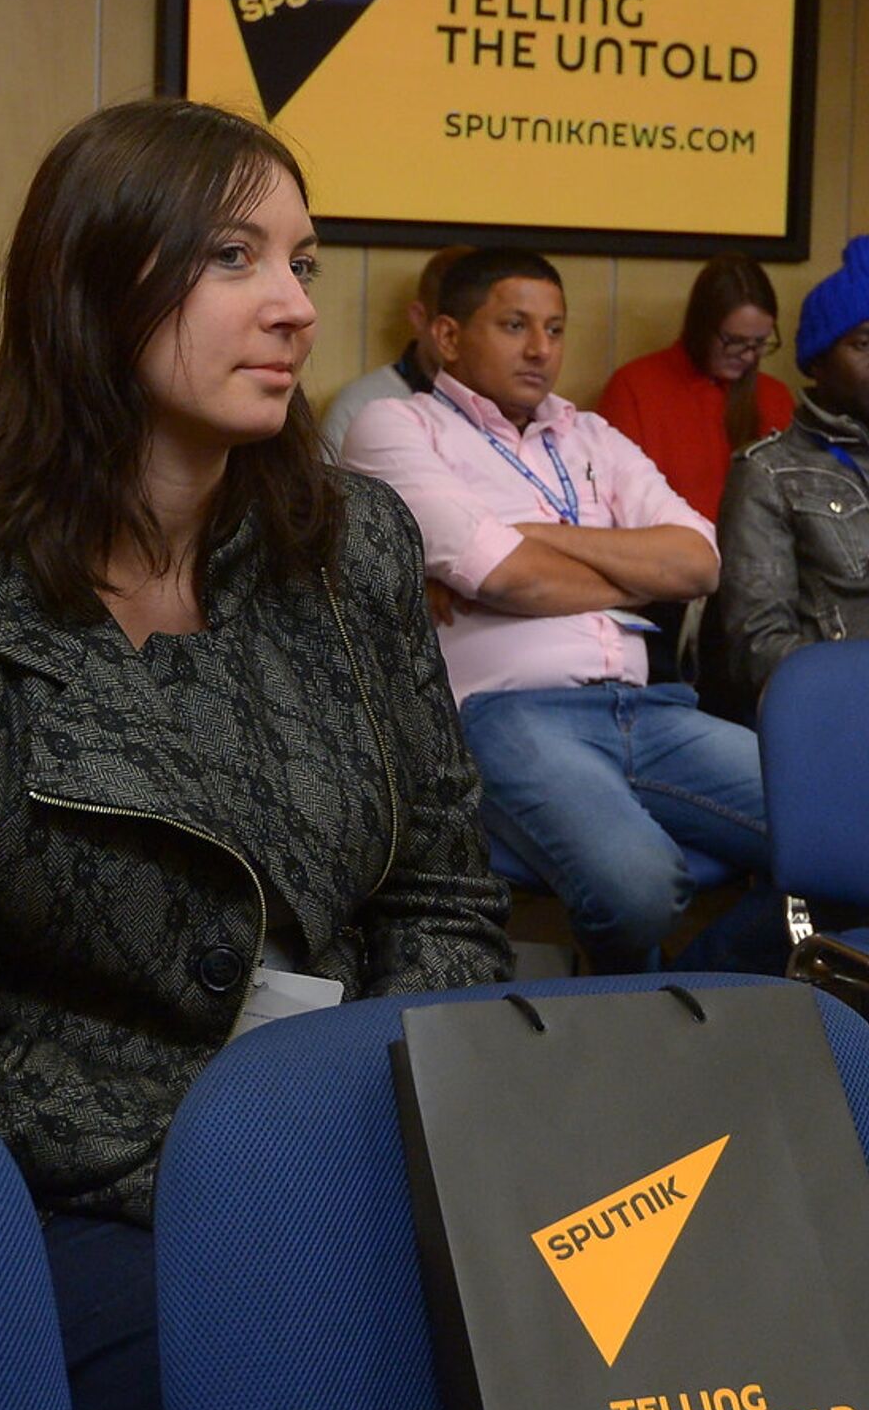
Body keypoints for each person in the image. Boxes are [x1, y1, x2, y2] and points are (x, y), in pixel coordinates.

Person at [0, 98, 512, 1410]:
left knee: (568, 1393)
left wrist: (374, 1141)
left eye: (303, 262)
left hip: (357, 1148)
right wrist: (251, 1159)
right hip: (62, 1199)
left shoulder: (353, 545)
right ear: (97, 283)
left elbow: (442, 891)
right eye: (234, 258)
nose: (294, 305)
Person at [342, 247, 769, 973]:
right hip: (508, 715)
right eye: (515, 325)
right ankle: (652, 1006)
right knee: (640, 890)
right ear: (448, 336)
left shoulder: (591, 435)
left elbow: (700, 562)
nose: (541, 349)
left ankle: (698, 988)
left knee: (844, 835)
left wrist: (536, 536)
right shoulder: (396, 426)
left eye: (556, 328)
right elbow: (507, 576)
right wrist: (634, 574)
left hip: (650, 707)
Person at [718, 236, 869, 712]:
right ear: (818, 361)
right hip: (842, 714)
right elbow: (759, 648)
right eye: (863, 344)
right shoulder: (768, 472)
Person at [596, 253, 794, 523]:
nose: (748, 356)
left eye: (759, 343)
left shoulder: (774, 397)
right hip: (665, 546)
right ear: (701, 328)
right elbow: (613, 505)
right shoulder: (634, 388)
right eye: (735, 341)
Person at [317, 242, 472, 456]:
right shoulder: (360, 404)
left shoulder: (509, 406)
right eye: (449, 330)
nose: (469, 343)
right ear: (419, 317)